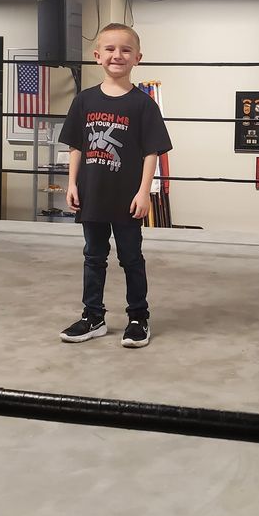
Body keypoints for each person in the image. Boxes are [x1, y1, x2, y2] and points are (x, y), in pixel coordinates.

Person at [57, 23, 172, 348]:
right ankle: (93, 316)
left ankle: (138, 317)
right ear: (97, 56)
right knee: (93, 256)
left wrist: (144, 192)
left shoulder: (143, 105)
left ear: (137, 57)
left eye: (125, 50)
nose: (117, 55)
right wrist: (72, 184)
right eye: (110, 49)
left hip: (127, 199)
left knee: (131, 258)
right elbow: (77, 146)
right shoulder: (84, 100)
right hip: (92, 195)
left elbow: (152, 152)